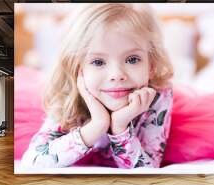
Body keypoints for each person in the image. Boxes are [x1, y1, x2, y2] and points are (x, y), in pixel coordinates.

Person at [21, 3, 174, 169]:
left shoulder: (158, 96)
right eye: (98, 62)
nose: (116, 75)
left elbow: (147, 170)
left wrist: (120, 127)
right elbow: (31, 163)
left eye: (132, 59)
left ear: (151, 66)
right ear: (78, 69)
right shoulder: (68, 96)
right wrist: (98, 124)